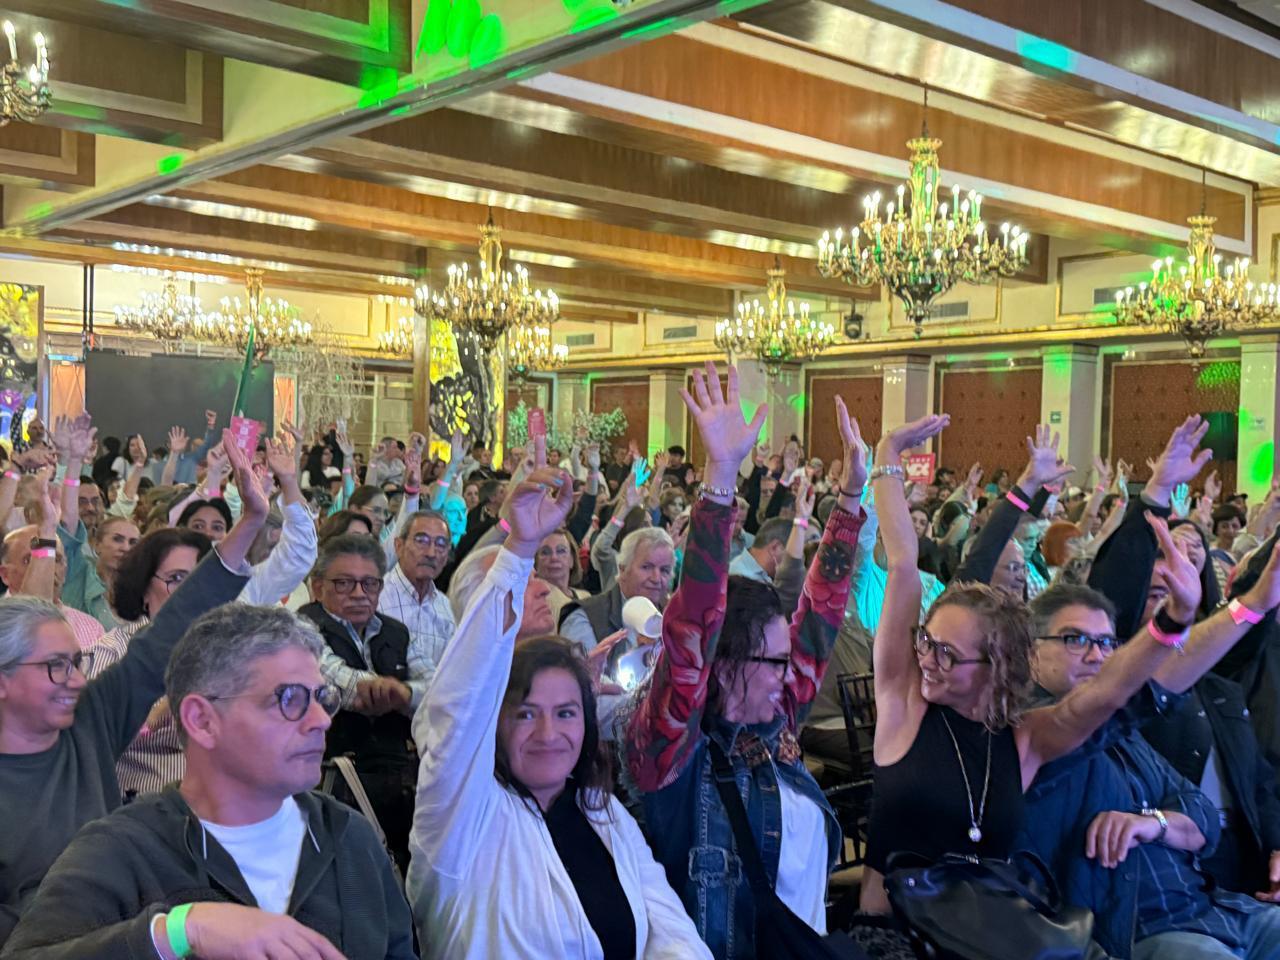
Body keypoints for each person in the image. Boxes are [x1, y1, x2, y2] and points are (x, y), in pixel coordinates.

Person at [858, 415, 1211, 915]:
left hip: (989, 939)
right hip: (889, 938)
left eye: (948, 653)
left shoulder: (1024, 740)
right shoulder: (904, 704)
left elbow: (1106, 694)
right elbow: (902, 564)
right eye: (927, 642)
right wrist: (887, 456)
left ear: (996, 667)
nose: (927, 660)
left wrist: (1174, 620)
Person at [406, 455, 711, 960]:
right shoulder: (462, 814)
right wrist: (518, 549)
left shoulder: (600, 810)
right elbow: (460, 710)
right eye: (526, 714)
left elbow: (669, 928)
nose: (549, 733)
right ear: (496, 723)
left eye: (567, 713)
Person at [3, 603, 416, 960]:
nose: (321, 720)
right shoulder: (123, 849)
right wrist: (178, 932)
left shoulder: (349, 836)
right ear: (201, 720)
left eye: (322, 698)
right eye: (291, 699)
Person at [623, 366, 865, 959]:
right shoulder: (673, 752)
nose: (793, 675)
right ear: (724, 664)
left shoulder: (774, 721)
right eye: (776, 662)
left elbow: (820, 615)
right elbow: (692, 625)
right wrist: (721, 479)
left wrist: (851, 500)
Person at [0, 430, 265, 945]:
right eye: (56, 667)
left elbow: (167, 633)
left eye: (77, 662)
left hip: (125, 934)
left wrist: (251, 521)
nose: (77, 679)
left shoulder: (89, 720)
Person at [1022, 561, 1280, 960]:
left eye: (1107, 643)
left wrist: (1153, 823)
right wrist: (1250, 605)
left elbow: (1202, 817)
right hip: (1142, 933)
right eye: (1075, 639)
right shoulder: (1029, 736)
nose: (1096, 655)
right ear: (1029, 650)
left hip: (1216, 910)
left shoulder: (1128, 735)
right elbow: (1158, 681)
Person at [298, 534, 417, 869]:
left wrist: (405, 694)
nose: (359, 594)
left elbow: (435, 687)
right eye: (343, 583)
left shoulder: (396, 631)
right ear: (318, 587)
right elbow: (342, 685)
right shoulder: (301, 626)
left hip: (399, 777)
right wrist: (400, 693)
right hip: (334, 777)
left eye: (369, 584)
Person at [87, 527, 212, 800]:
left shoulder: (225, 648)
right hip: (144, 801)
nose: (190, 592)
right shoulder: (115, 651)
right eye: (176, 578)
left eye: (199, 579)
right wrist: (166, 706)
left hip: (224, 801)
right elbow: (95, 740)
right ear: (144, 589)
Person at [559, 525, 674, 652]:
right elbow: (582, 665)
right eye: (646, 567)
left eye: (664, 570)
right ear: (622, 568)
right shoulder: (584, 618)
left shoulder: (675, 620)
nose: (656, 578)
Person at [377, 510, 456, 691]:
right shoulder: (377, 597)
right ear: (399, 546)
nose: (431, 553)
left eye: (441, 544)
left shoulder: (447, 608)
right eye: (421, 541)